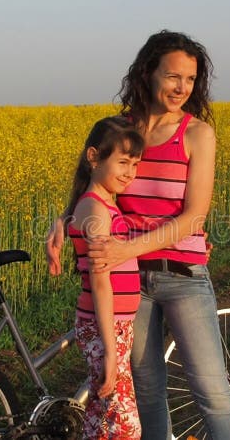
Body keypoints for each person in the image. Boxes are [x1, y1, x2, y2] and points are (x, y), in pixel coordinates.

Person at [48, 30, 230, 440]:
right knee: (147, 392)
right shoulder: (119, 130)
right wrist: (64, 222)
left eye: (190, 79)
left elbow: (194, 216)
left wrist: (127, 246)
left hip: (183, 277)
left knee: (212, 392)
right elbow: (93, 186)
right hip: (128, 282)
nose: (181, 88)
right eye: (173, 76)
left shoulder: (197, 134)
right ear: (148, 72)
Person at [66, 116, 145, 439]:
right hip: (105, 327)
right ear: (94, 157)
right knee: (126, 427)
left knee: (102, 417)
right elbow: (101, 283)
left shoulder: (101, 205)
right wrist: (111, 352)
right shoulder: (96, 210)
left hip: (115, 327)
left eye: (135, 164)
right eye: (123, 162)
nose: (130, 172)